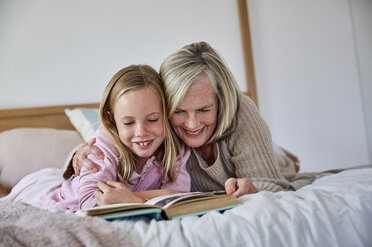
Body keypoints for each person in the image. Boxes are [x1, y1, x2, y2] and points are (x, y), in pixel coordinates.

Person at [66, 42, 298, 204]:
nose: (191, 123)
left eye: (204, 110)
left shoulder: (240, 110)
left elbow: (274, 185)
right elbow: (113, 137)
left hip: (272, 166)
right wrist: (80, 153)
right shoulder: (156, 126)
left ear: (221, 101)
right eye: (178, 111)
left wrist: (254, 188)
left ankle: (274, 149)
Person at [1, 65, 190, 210]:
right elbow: (90, 203)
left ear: (166, 114)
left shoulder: (175, 149)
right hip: (62, 198)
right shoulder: (103, 147)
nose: (141, 131)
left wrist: (133, 199)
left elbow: (180, 198)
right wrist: (154, 197)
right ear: (112, 119)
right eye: (129, 123)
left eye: (152, 119)